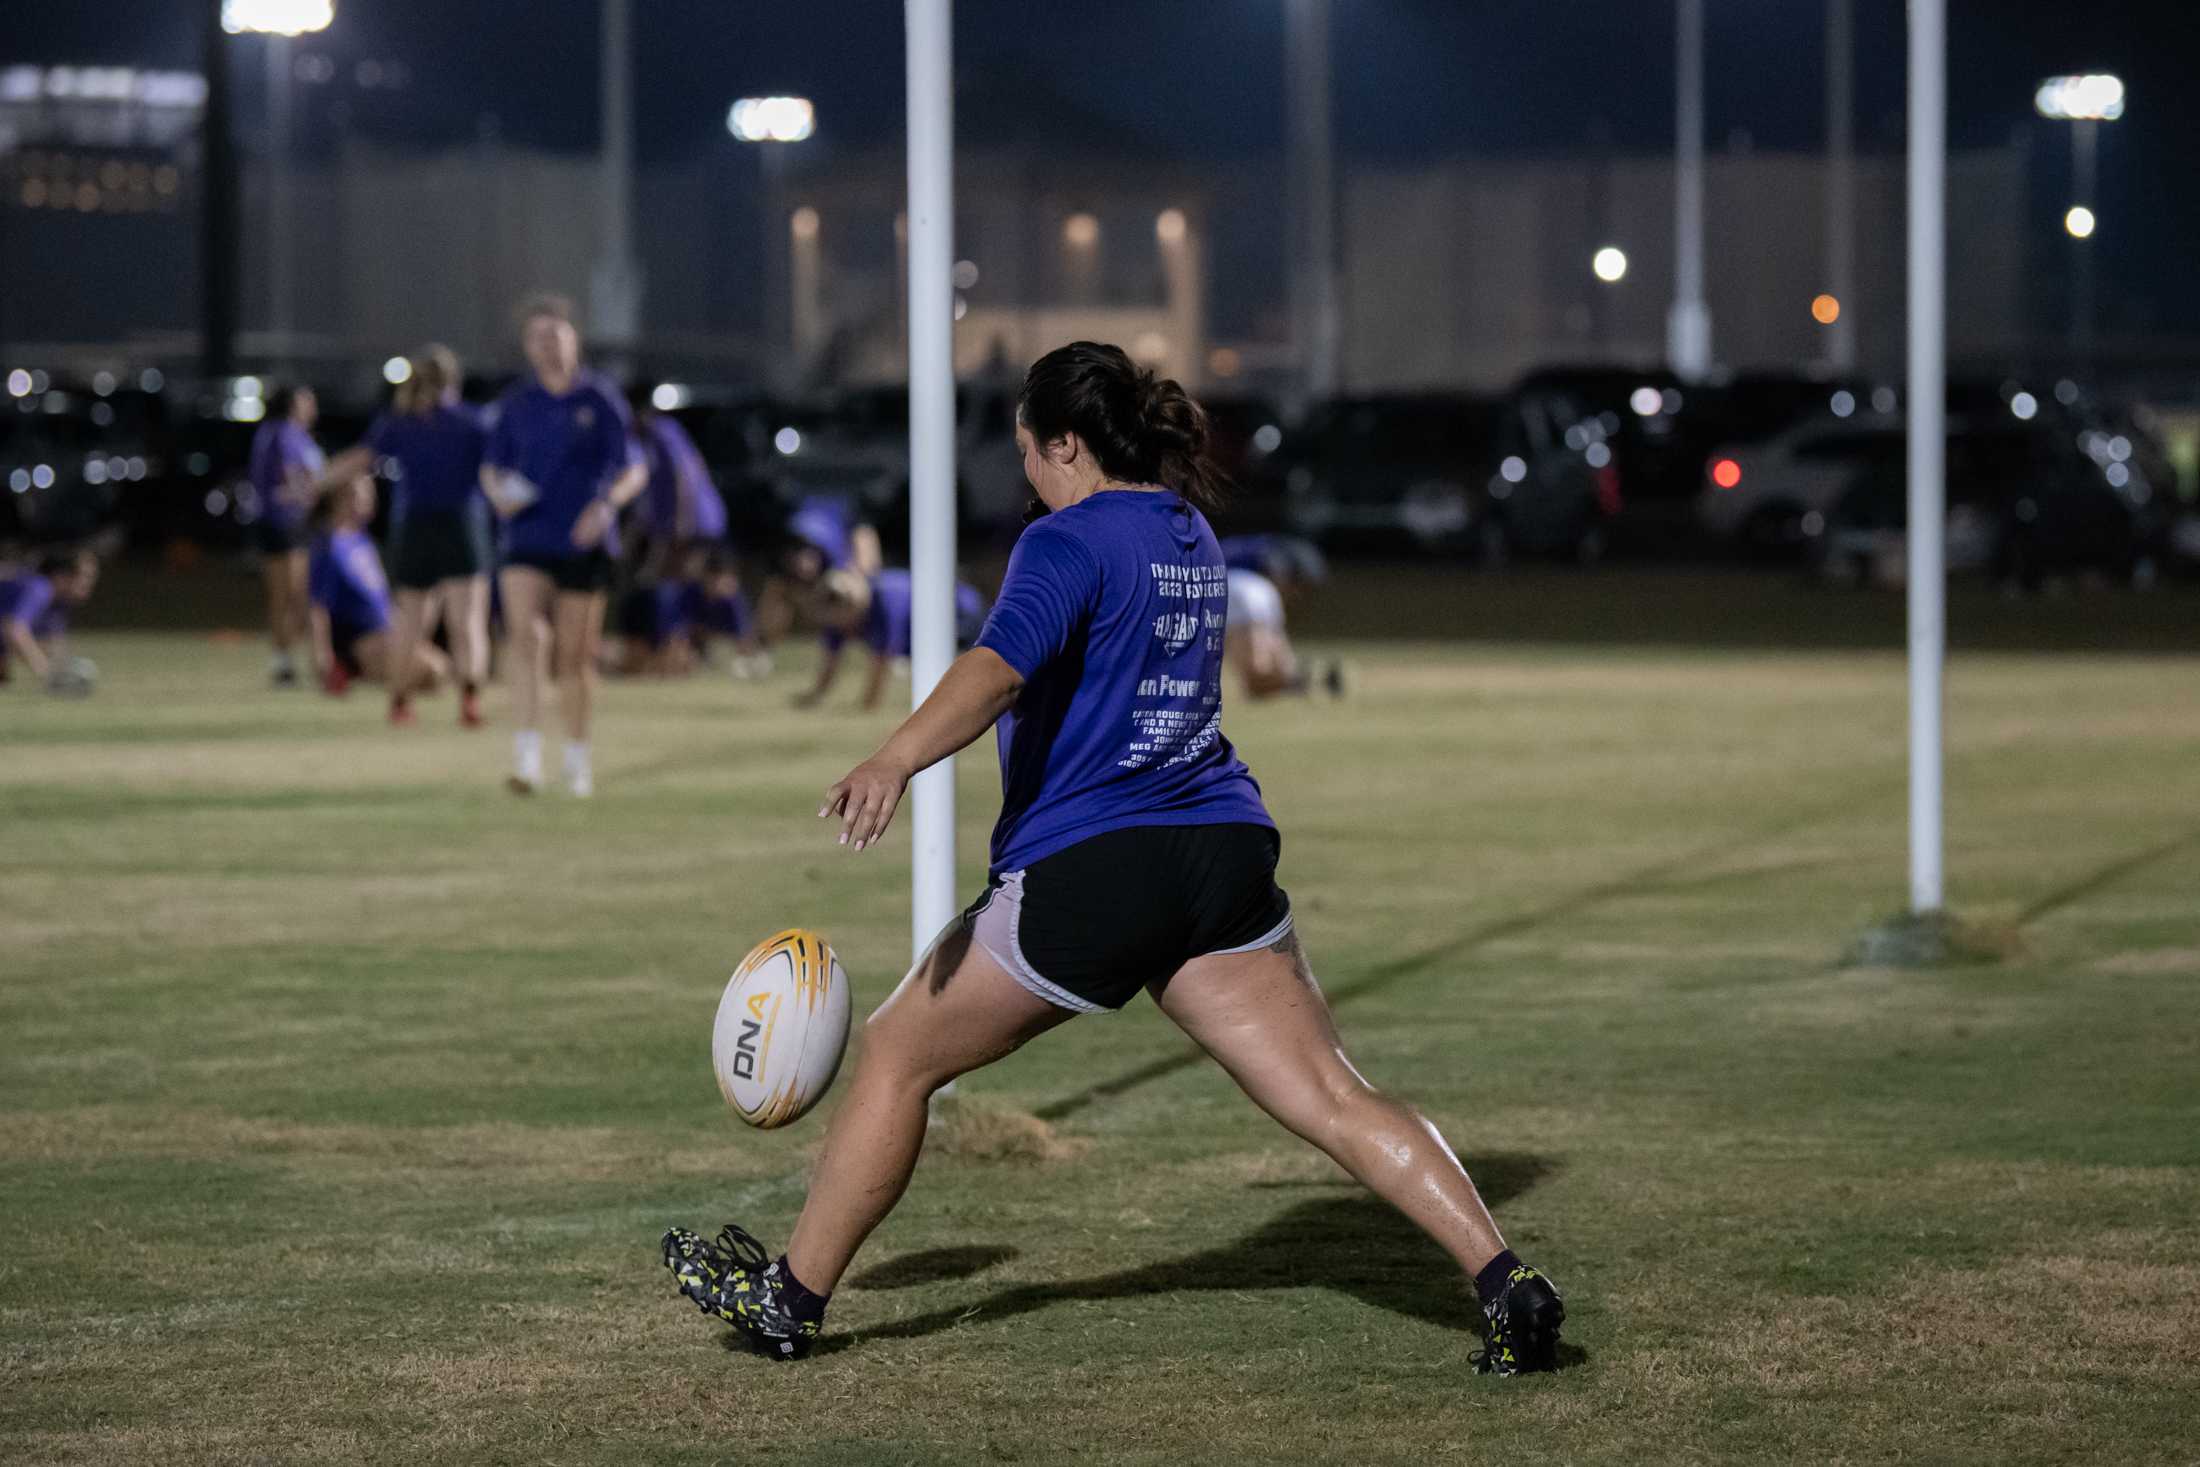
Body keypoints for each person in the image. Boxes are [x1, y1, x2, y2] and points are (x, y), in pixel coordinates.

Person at [661, 342, 1565, 1375]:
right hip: (1219, 853)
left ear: (1067, 444)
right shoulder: (1194, 533)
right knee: (1331, 1094)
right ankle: (1505, 1282)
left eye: (1030, 454)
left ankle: (788, 1300)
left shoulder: (1064, 540)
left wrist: (892, 758)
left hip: (1097, 864)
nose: (1027, 478)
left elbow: (996, 669)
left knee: (897, 1053)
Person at [481, 294, 646, 797]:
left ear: (574, 341)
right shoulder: (516, 404)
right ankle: (526, 757)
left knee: (575, 657)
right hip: (527, 536)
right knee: (526, 638)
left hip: (584, 542)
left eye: (556, 337)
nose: (548, 347)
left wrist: (605, 508)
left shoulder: (600, 401)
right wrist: (497, 495)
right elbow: (492, 467)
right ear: (528, 348)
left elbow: (633, 469)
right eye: (538, 339)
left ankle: (577, 759)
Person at [322, 345, 491, 727]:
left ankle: (399, 703)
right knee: (467, 621)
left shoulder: (400, 421)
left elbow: (360, 458)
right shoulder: (472, 422)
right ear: (453, 380)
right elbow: (497, 471)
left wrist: (318, 480)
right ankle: (470, 701)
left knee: (410, 621)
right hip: (461, 524)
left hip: (414, 526)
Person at [306, 477, 448, 697]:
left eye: (369, 495)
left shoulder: (362, 540)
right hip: (360, 642)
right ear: (338, 499)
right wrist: (323, 657)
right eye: (360, 495)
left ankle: (380, 675)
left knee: (439, 668)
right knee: (433, 670)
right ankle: (350, 671)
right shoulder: (329, 546)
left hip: (387, 633)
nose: (367, 501)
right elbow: (318, 607)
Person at [795, 567, 986, 710]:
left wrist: (868, 705)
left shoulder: (886, 599)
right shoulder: (839, 617)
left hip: (960, 616)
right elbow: (831, 659)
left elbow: (882, 660)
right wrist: (815, 696)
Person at [247, 385, 325, 687]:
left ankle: (292, 659)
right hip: (280, 522)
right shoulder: (280, 434)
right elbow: (292, 482)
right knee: (287, 594)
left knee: (298, 595)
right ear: (293, 404)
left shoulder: (294, 434)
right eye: (307, 400)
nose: (313, 406)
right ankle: (283, 662)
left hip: (295, 523)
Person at [1219, 534, 1345, 701]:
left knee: (1258, 675)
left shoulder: (1251, 547)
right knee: (1260, 675)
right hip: (1246, 589)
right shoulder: (1272, 553)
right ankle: (1311, 678)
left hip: (1229, 590)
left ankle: (1306, 678)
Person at [0, 549, 99, 694]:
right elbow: (14, 631)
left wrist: (65, 666)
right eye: (85, 576)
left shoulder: (58, 603)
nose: (89, 584)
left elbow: (53, 644)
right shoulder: (40, 588)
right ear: (61, 576)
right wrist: (47, 674)